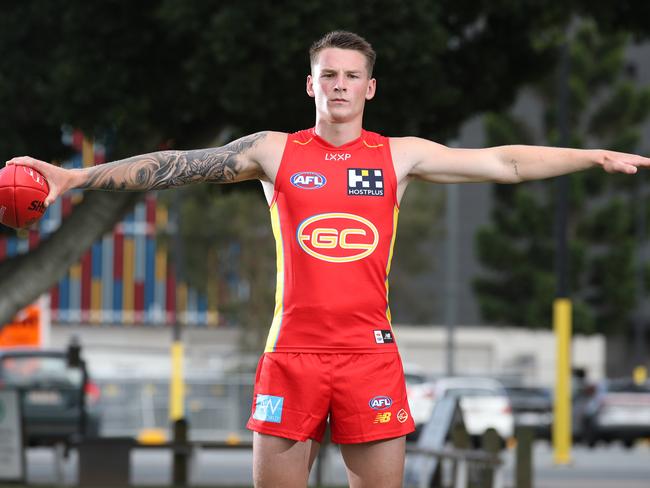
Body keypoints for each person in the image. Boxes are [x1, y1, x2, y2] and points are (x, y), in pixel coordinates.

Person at [8, 31, 650, 488]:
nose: (340, 84)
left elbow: (505, 162)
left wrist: (590, 157)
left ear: (369, 87)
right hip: (292, 355)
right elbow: (174, 168)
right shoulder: (274, 152)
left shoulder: (399, 155)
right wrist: (73, 179)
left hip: (370, 356)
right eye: (329, 74)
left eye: (351, 75)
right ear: (310, 84)